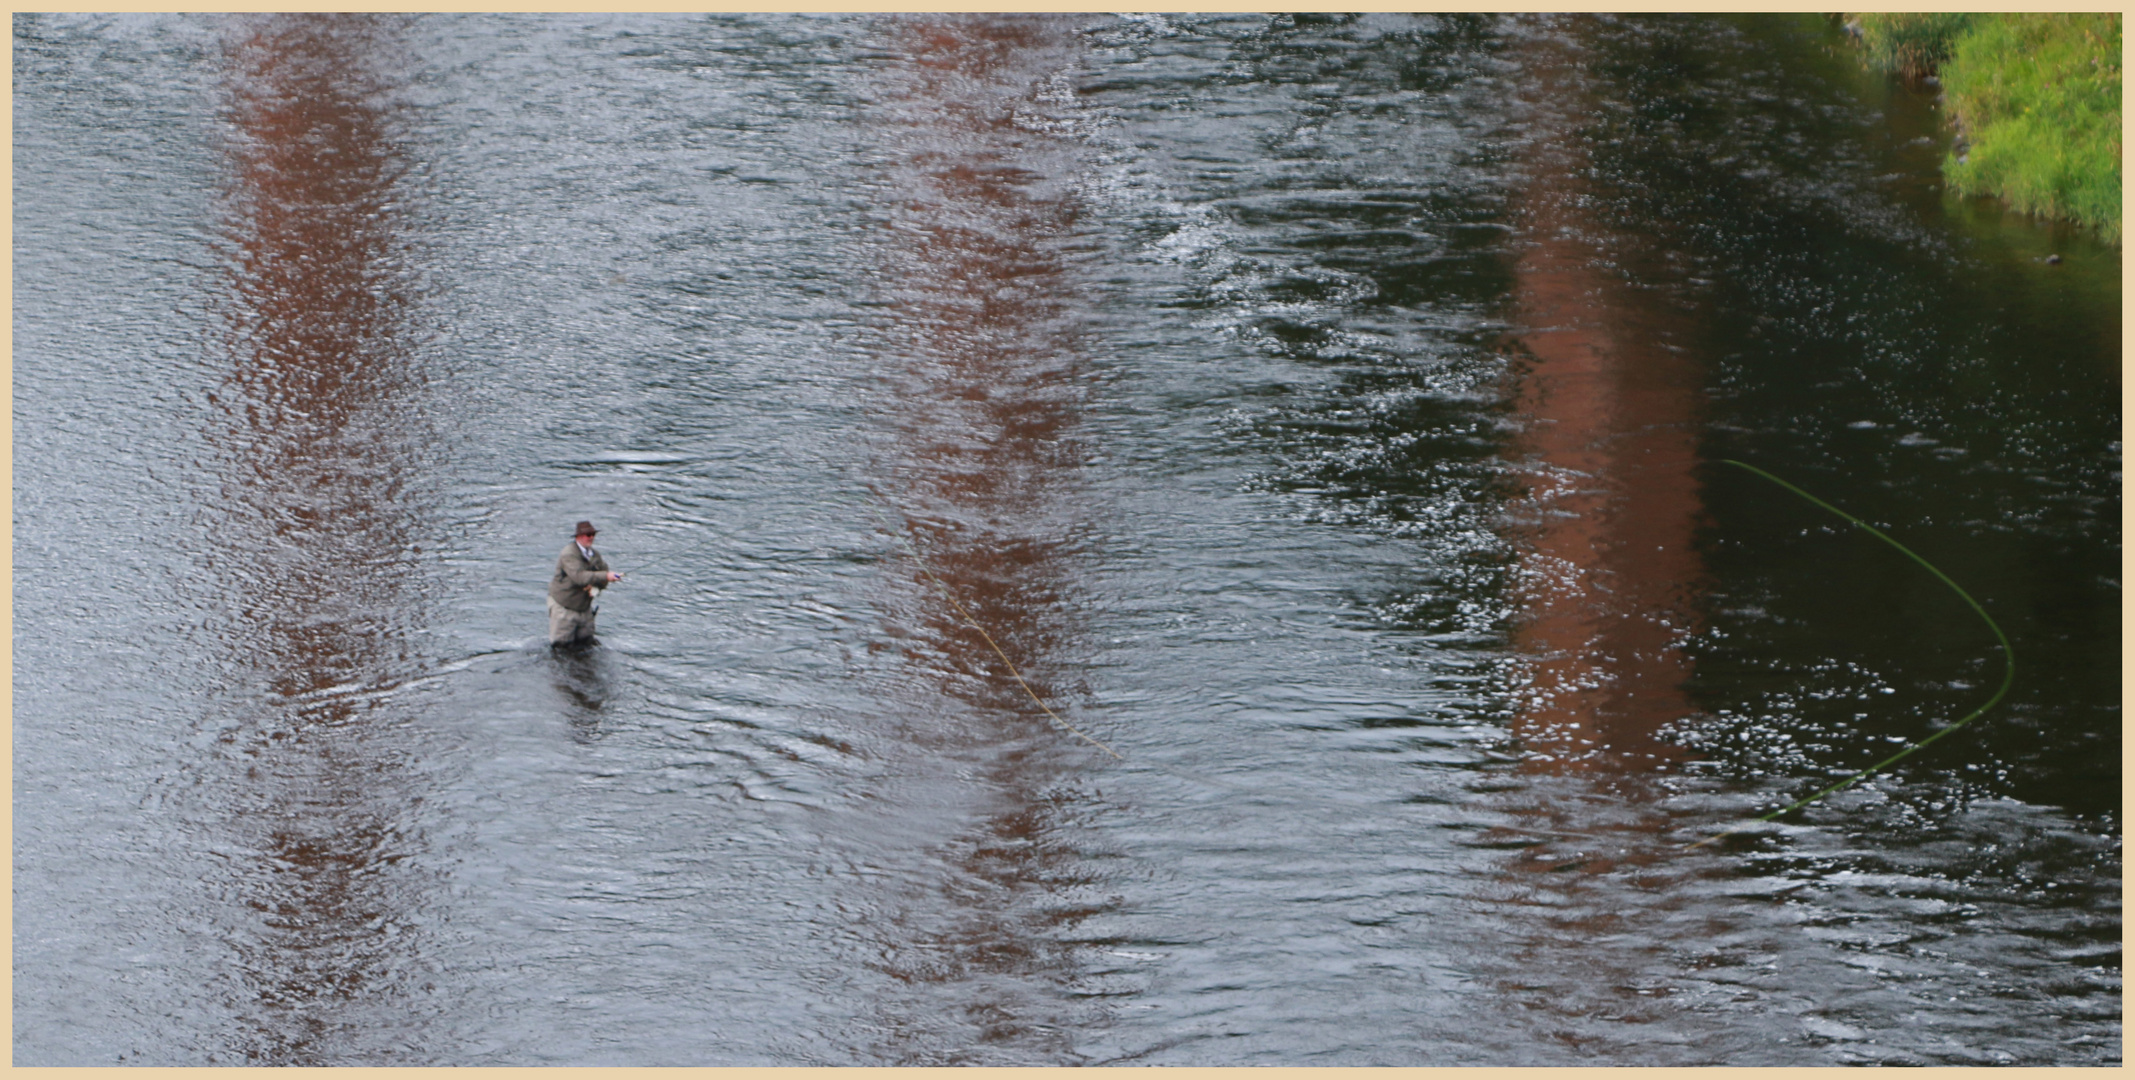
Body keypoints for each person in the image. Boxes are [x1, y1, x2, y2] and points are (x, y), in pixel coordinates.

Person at [549, 520, 622, 647]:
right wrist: (606, 576)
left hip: (584, 610)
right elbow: (579, 577)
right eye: (588, 535)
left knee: (586, 645)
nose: (591, 537)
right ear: (579, 537)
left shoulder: (595, 555)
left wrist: (598, 585)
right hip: (564, 609)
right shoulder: (568, 554)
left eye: (593, 534)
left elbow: (603, 576)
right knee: (560, 648)